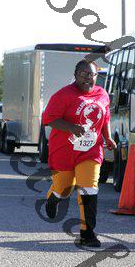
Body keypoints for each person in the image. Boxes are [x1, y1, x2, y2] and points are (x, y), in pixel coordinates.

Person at [41, 60, 116, 247]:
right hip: (64, 149)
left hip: (91, 150)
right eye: (84, 74)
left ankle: (87, 234)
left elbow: (105, 117)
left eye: (92, 75)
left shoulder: (102, 94)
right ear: (75, 75)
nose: (88, 78)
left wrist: (108, 137)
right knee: (65, 188)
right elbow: (49, 119)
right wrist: (71, 127)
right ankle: (53, 197)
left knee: (89, 188)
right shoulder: (63, 95)